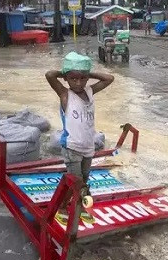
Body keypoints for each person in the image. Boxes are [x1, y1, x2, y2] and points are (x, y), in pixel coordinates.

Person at [45, 52, 114, 225]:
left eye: (82, 78)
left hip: (88, 148)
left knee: (83, 180)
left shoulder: (90, 91)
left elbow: (109, 78)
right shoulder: (65, 94)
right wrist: (68, 71)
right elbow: (50, 75)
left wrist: (86, 73)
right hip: (72, 148)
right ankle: (62, 208)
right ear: (67, 79)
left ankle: (78, 207)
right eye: (73, 79)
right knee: (75, 183)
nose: (78, 82)